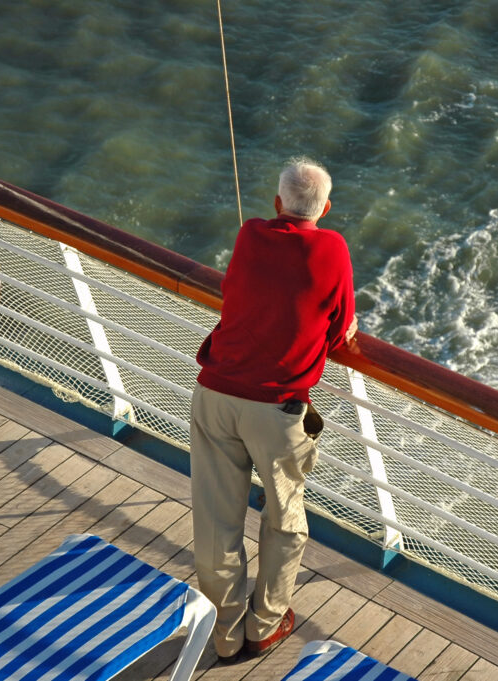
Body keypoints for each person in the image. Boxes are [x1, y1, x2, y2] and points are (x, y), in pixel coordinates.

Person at [190, 157, 357, 662]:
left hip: (216, 394)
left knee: (216, 523)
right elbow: (340, 326)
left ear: (278, 202)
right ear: (325, 208)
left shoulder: (248, 235)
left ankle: (224, 632)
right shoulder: (332, 247)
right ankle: (265, 625)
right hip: (277, 409)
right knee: (284, 518)